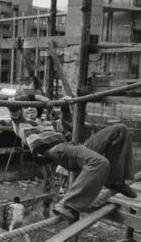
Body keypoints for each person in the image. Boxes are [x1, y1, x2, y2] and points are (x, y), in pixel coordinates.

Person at [8, 88, 137, 223]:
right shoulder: (20, 124)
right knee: (100, 162)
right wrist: (39, 98)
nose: (29, 108)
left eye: (33, 107)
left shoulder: (47, 123)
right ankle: (68, 204)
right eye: (26, 107)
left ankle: (115, 181)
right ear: (20, 111)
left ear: (38, 110)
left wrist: (64, 107)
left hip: (74, 147)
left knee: (120, 130)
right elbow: (13, 103)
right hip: (59, 151)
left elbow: (66, 125)